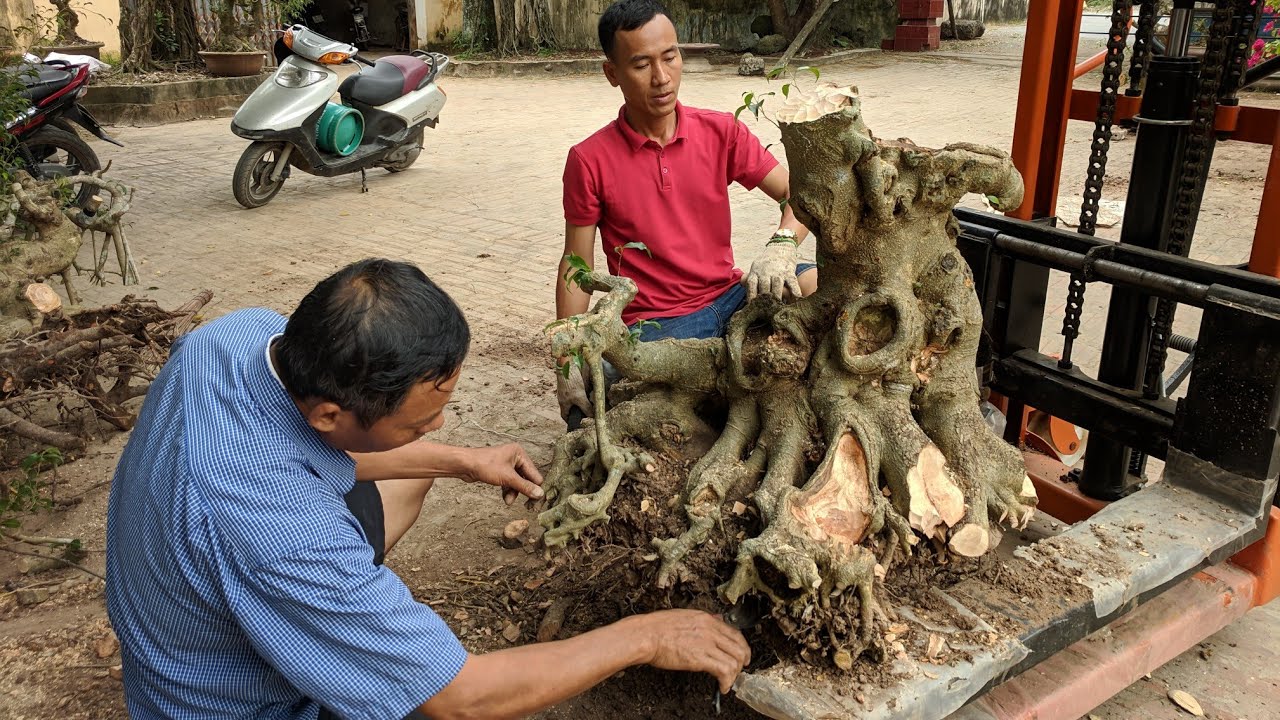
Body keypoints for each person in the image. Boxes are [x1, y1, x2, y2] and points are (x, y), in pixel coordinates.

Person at [105, 258, 751, 720]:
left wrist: (465, 462)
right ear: (331, 413)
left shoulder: (237, 339)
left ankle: (356, 614)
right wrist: (648, 636)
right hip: (223, 701)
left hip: (177, 618)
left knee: (415, 472)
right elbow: (461, 697)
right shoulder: (285, 538)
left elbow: (295, 457)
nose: (437, 426)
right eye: (418, 422)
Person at [555, 0, 817, 426]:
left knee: (817, 282)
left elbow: (800, 198)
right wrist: (565, 357)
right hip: (655, 328)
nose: (661, 78)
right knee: (604, 396)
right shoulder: (589, 160)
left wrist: (782, 245)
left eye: (670, 57)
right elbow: (577, 264)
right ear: (613, 74)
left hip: (732, 299)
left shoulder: (720, 131)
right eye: (641, 64)